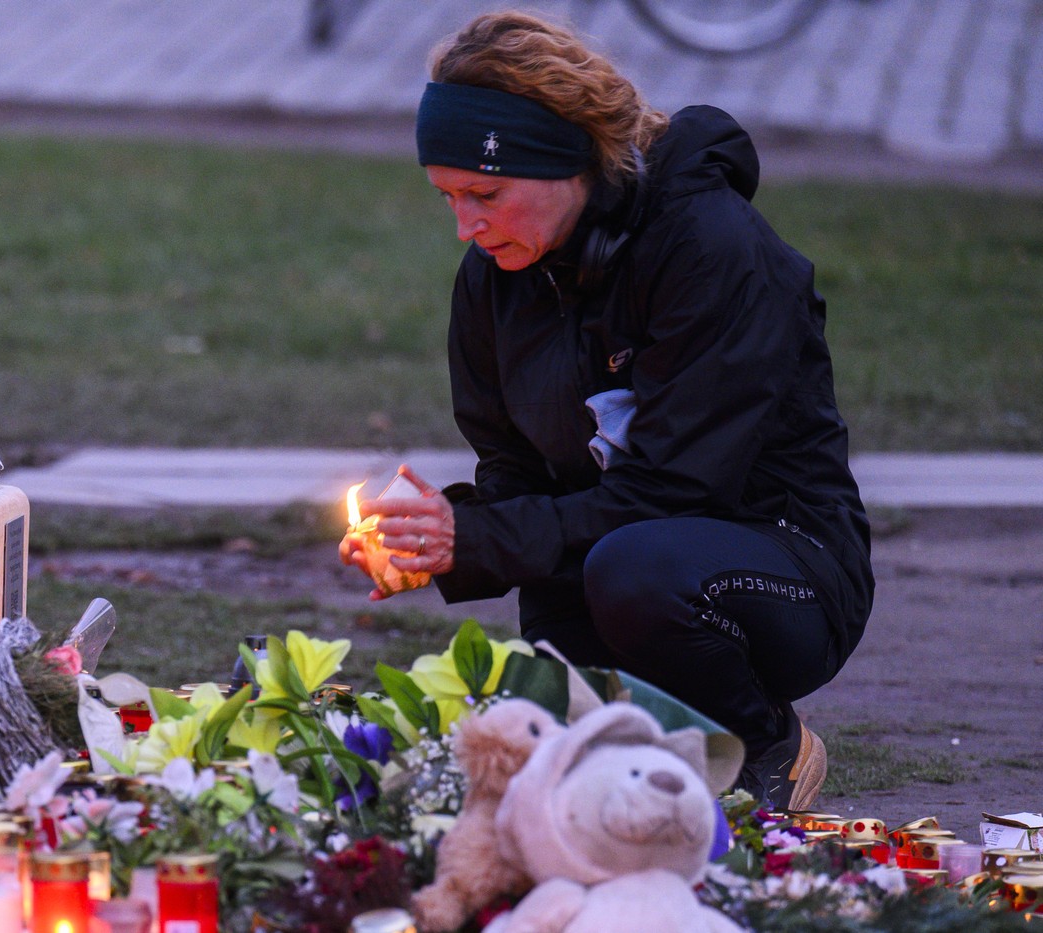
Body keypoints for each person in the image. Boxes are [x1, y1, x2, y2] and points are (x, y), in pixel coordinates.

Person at [339, 10, 873, 811]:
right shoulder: (494, 276)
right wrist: (433, 538)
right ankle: (654, 742)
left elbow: (674, 490)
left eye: (485, 193)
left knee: (633, 568)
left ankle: (768, 743)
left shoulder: (711, 248)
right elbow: (519, 479)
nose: (466, 225)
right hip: (625, 554)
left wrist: (477, 536)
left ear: (565, 165)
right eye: (447, 197)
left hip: (784, 565)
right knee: (560, 645)